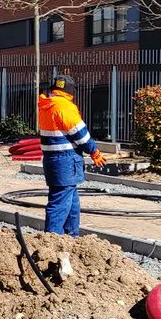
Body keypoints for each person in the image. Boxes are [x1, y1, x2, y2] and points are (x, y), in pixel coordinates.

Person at [37, 74, 106, 236]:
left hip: (53, 160)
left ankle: (71, 236)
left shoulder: (46, 105)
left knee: (71, 201)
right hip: (66, 162)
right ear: (70, 91)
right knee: (60, 202)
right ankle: (52, 239)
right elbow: (80, 134)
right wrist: (94, 151)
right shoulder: (65, 107)